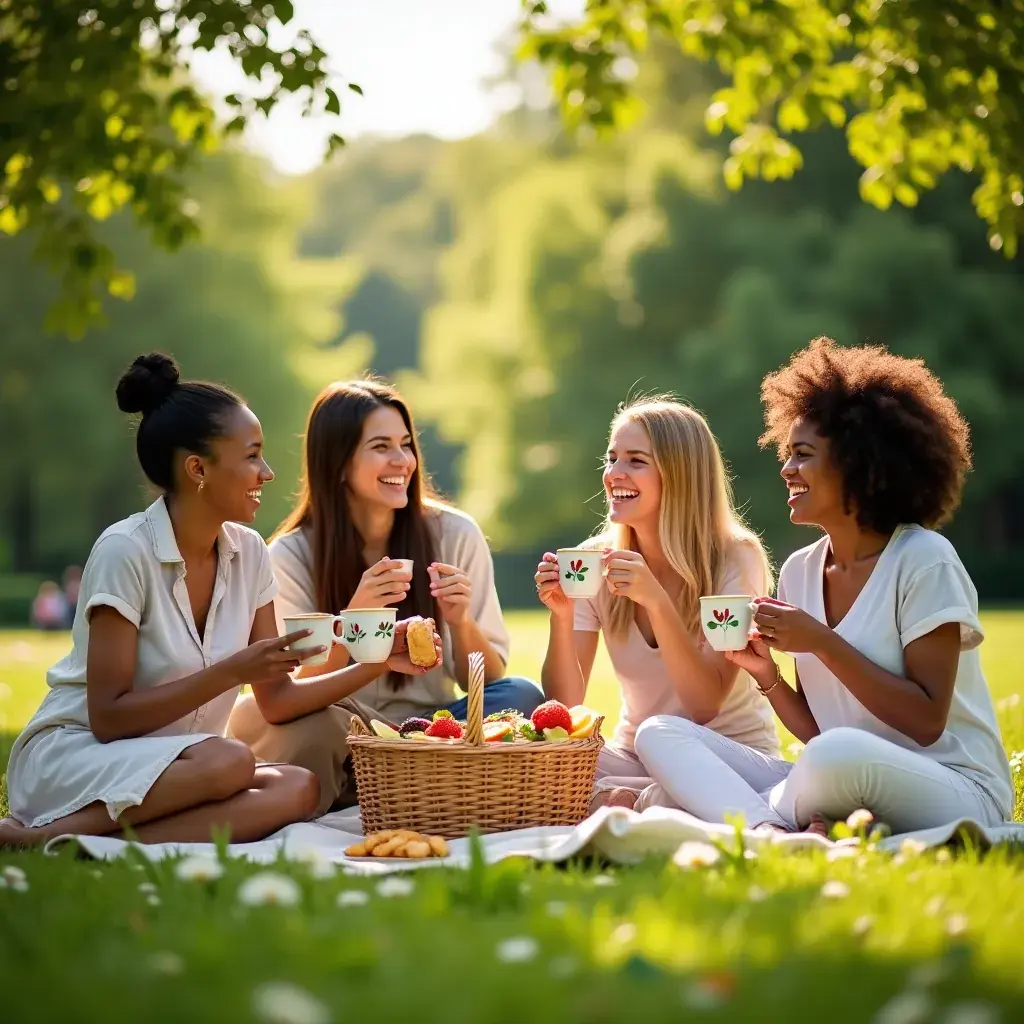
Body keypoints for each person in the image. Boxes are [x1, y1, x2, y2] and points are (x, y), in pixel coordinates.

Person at [0, 354, 437, 848]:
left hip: (179, 765)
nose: (267, 472)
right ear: (198, 469)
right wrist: (231, 672)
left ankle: (93, 841)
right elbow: (108, 718)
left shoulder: (249, 553)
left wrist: (375, 661)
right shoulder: (126, 551)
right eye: (252, 456)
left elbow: (278, 702)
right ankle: (49, 833)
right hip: (78, 756)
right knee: (229, 760)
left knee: (297, 786)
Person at [634, 339, 1013, 835]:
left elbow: (925, 722)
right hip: (844, 770)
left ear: (857, 461)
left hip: (955, 785)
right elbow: (819, 728)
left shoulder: (923, 560)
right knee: (659, 733)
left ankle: (746, 813)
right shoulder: (798, 571)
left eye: (803, 454)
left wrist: (818, 640)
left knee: (830, 758)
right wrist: (766, 675)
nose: (786, 469)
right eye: (787, 453)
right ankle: (772, 830)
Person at [228, 379, 543, 815]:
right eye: (381, 447)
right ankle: (411, 783)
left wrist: (460, 621)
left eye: (406, 444)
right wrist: (353, 620)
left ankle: (389, 779)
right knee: (288, 725)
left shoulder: (455, 534)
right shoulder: (288, 555)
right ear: (338, 463)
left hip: (434, 728)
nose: (402, 461)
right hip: (343, 726)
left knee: (523, 695)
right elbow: (294, 692)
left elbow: (488, 679)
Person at [533, 396, 778, 813]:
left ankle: (630, 802)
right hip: (635, 757)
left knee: (657, 742)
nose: (614, 474)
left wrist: (657, 602)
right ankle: (643, 801)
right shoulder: (596, 561)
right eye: (611, 459)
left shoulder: (734, 557)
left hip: (724, 754)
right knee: (547, 759)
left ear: (679, 475)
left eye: (635, 460)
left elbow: (704, 706)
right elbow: (566, 707)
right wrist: (562, 616)